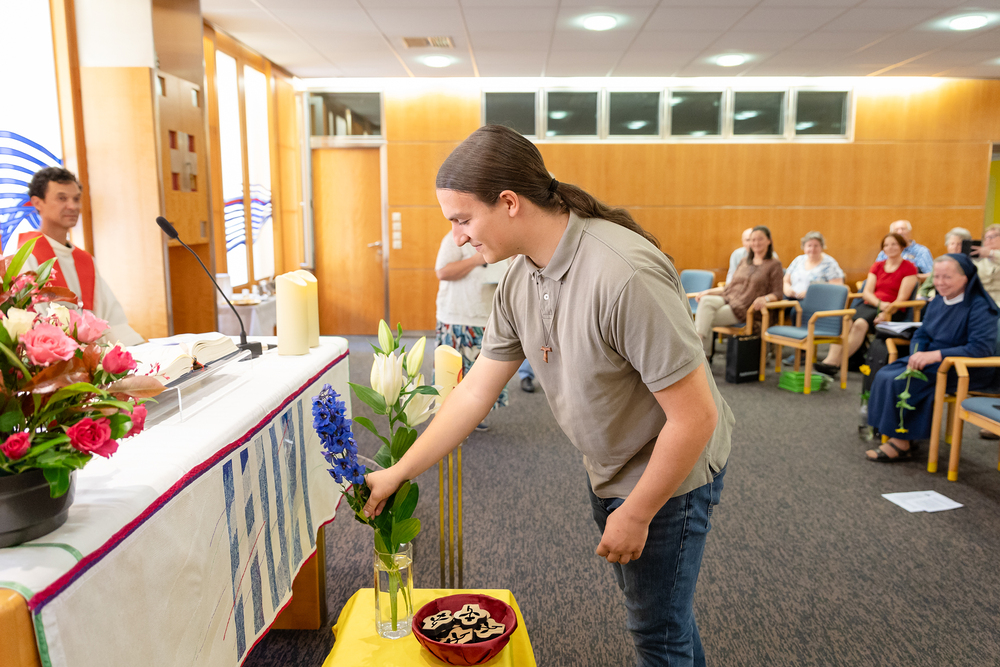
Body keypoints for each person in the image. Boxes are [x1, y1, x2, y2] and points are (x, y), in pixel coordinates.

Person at [364, 125, 733, 667]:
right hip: (612, 464)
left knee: (656, 630)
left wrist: (637, 512)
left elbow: (695, 417)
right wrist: (399, 472)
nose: (459, 238)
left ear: (509, 202)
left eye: (463, 219)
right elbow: (475, 392)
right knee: (662, 619)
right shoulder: (520, 278)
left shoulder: (623, 273)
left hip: (668, 472)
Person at [864, 254, 998, 461]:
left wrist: (935, 355)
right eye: (936, 277)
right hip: (934, 359)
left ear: (965, 277)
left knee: (902, 381)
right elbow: (922, 333)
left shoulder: (980, 307)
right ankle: (895, 431)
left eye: (947, 277)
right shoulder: (938, 301)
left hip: (965, 367)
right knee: (884, 374)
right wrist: (917, 353)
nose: (940, 282)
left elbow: (980, 348)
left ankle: (901, 443)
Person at [20, 167, 143, 345]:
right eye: (62, 198)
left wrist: (140, 349)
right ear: (37, 202)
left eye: (76, 199)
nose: (73, 206)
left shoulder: (85, 260)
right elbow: (30, 320)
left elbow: (112, 321)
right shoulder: (26, 256)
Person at [434, 231, 509, 430]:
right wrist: (476, 260)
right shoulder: (454, 239)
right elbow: (443, 272)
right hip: (457, 318)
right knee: (453, 375)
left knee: (482, 375)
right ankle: (449, 423)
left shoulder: (498, 237)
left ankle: (473, 418)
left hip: (488, 316)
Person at [815, 233, 918, 375]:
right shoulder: (877, 266)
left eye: (894, 244)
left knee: (860, 324)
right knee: (845, 321)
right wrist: (880, 304)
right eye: (886, 245)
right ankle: (831, 360)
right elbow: (867, 292)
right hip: (873, 304)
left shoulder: (909, 268)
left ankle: (836, 362)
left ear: (901, 246)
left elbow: (902, 299)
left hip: (893, 310)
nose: (890, 247)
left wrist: (886, 311)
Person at [693, 226, 783, 358]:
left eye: (760, 239)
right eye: (752, 240)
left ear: (769, 241)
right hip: (729, 298)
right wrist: (708, 292)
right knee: (706, 301)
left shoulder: (774, 264)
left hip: (745, 307)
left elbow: (778, 293)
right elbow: (731, 286)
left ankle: (700, 354)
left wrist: (765, 298)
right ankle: (700, 350)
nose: (756, 243)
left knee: (704, 319)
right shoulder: (744, 261)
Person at [782, 231, 845, 300]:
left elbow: (836, 288)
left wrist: (811, 293)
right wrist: (787, 289)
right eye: (809, 246)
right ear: (804, 247)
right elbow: (786, 280)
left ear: (822, 247)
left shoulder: (829, 263)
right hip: (791, 298)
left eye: (816, 246)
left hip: (816, 301)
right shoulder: (798, 260)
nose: (812, 249)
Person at [917, 227, 971, 299]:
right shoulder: (941, 263)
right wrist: (920, 296)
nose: (955, 247)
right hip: (934, 298)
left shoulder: (970, 265)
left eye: (959, 244)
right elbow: (926, 287)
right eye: (952, 244)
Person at [970, 224, 1000, 304]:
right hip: (982, 299)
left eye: (992, 237)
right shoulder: (979, 259)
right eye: (986, 238)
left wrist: (991, 253)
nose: (988, 240)